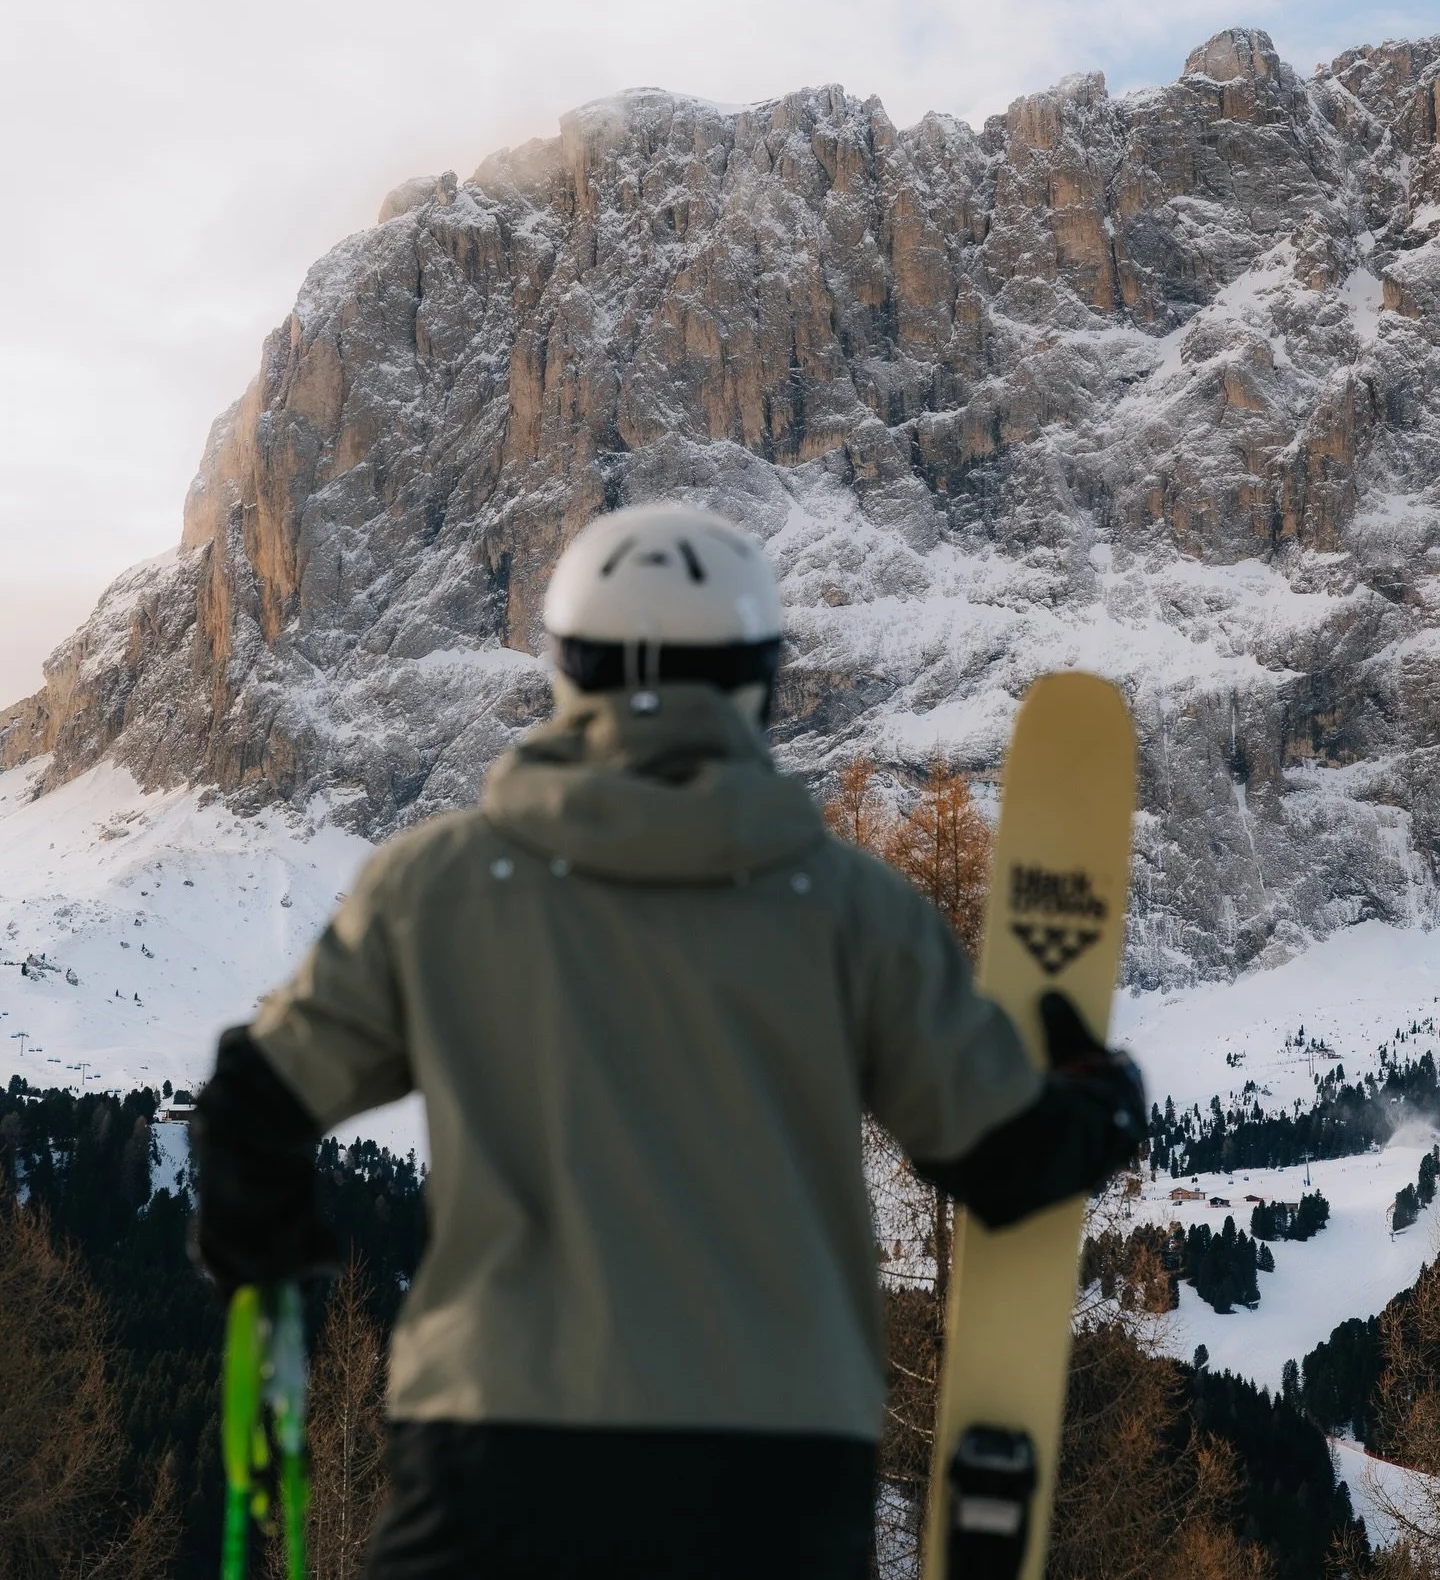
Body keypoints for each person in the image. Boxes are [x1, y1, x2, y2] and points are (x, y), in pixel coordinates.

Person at [190, 503, 1145, 1580]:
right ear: (758, 684)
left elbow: (252, 1108)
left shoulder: (440, 888)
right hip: (773, 1469)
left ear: (567, 670)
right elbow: (1006, 1158)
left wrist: (273, 1267)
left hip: (495, 1452)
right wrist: (1096, 1097)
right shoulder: (848, 909)